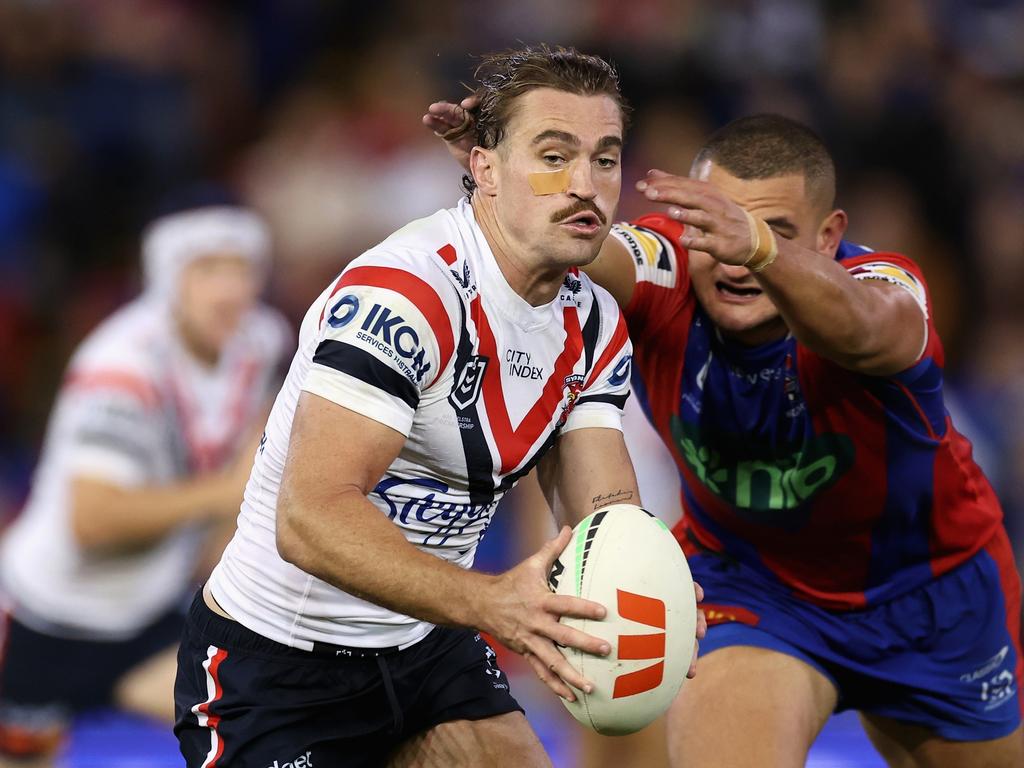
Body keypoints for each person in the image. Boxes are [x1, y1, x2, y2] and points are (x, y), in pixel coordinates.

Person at [428, 104, 1023, 767]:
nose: (737, 255)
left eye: (775, 230)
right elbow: (579, 249)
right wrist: (502, 185)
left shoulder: (884, 285)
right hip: (755, 591)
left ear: (830, 237)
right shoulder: (664, 269)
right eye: (719, 226)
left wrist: (758, 248)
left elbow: (869, 329)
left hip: (929, 591)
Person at [175, 45, 704, 768]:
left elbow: (601, 517)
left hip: (427, 649)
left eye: (604, 159)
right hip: (277, 664)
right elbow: (310, 516)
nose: (585, 184)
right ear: (484, 165)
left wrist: (648, 596)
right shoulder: (404, 296)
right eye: (553, 155)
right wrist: (492, 604)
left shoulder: (594, 323)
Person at [0, 199, 289, 766]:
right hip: (46, 616)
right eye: (207, 270)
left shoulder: (259, 341)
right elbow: (93, 520)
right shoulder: (121, 365)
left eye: (242, 268)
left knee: (258, 733)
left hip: (149, 612)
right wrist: (226, 493)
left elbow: (251, 433)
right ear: (166, 276)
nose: (229, 288)